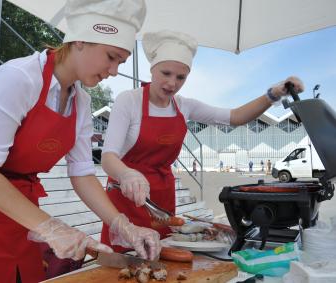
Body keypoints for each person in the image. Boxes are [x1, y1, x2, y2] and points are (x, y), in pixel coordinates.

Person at [0, 1, 161, 282]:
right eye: (111, 57)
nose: (113, 71)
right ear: (80, 41)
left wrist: (123, 225)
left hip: (21, 220)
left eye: (120, 63)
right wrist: (51, 228)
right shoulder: (18, 79)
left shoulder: (82, 103)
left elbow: (83, 174)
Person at [99, 30, 305, 250]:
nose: (171, 83)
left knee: (161, 257)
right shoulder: (128, 101)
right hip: (126, 196)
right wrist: (126, 173)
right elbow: (108, 157)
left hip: (161, 195)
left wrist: (273, 94)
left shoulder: (184, 105)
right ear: (152, 69)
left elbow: (235, 117)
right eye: (165, 73)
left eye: (180, 77)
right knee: (123, 261)